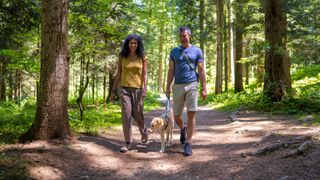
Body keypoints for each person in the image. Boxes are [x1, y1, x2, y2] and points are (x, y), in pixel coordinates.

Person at [165, 26, 207, 156]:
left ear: (189, 36)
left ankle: (188, 143)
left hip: (192, 84)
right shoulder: (174, 51)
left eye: (185, 35)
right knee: (176, 115)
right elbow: (171, 70)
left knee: (191, 113)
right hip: (177, 85)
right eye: (181, 36)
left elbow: (201, 70)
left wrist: (204, 87)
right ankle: (182, 128)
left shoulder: (197, 51)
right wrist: (167, 86)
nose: (183, 38)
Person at [110, 34, 148, 153]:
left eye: (135, 43)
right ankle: (127, 142)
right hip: (124, 89)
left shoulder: (142, 57)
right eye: (131, 43)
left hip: (138, 89)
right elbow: (119, 73)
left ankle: (144, 131)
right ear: (127, 44)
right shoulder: (122, 56)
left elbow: (145, 74)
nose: (133, 45)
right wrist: (113, 90)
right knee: (126, 114)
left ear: (138, 44)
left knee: (137, 114)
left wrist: (144, 89)